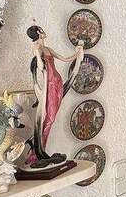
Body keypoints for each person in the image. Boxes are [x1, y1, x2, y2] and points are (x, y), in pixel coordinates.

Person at [26, 25, 83, 167]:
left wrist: (77, 53)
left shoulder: (48, 49)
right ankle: (37, 152)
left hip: (57, 82)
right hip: (50, 85)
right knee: (49, 119)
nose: (43, 31)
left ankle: (39, 151)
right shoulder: (37, 49)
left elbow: (65, 59)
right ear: (38, 32)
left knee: (51, 118)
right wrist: (37, 54)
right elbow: (40, 67)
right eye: (41, 30)